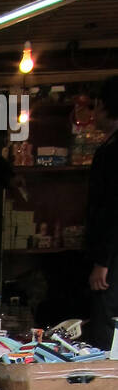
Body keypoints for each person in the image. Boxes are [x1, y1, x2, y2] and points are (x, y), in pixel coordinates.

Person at [87, 77, 118, 352]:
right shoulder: (109, 147)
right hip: (109, 254)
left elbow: (113, 208)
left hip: (112, 258)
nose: (93, 114)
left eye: (96, 106)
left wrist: (103, 261)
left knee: (107, 320)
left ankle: (107, 385)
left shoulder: (114, 152)